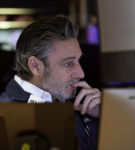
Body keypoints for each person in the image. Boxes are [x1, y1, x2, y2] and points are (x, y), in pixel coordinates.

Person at [0, 15, 101, 150]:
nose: (81, 74)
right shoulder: (3, 115)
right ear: (35, 66)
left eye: (78, 61)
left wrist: (106, 118)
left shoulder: (86, 107)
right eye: (68, 64)